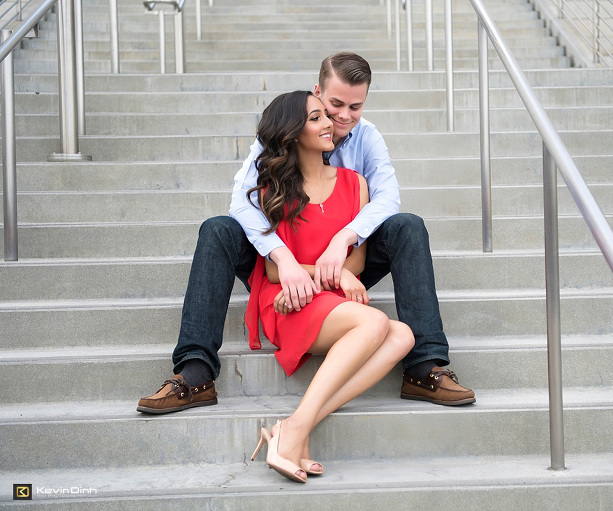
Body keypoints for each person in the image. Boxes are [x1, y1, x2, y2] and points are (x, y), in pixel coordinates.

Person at [136, 52, 473, 416]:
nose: (343, 116)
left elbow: (387, 198)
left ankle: (423, 367)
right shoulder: (286, 133)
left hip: (345, 259)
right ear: (317, 94)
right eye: (334, 105)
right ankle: (196, 371)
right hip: (284, 258)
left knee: (407, 225)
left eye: (355, 106)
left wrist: (344, 239)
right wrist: (284, 259)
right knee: (218, 229)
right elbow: (240, 202)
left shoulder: (366, 142)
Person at [245, 90, 414, 482]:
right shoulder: (274, 188)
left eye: (327, 116)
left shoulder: (356, 184)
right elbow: (274, 272)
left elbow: (354, 261)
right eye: (317, 118)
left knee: (403, 335)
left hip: (328, 301)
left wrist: (340, 273)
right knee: (374, 324)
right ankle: (295, 433)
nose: (330, 124)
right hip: (289, 300)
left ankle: (295, 426)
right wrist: (334, 276)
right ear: (292, 132)